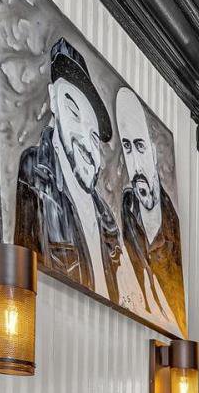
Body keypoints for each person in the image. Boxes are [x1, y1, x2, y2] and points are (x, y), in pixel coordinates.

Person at [15, 37, 125, 301]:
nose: (86, 141)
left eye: (94, 137)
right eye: (74, 112)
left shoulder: (107, 219)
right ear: (54, 100)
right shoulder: (36, 175)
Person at [115, 87, 186, 335]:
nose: (135, 164)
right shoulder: (124, 213)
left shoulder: (173, 232)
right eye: (127, 147)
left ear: (154, 153)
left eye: (140, 146)